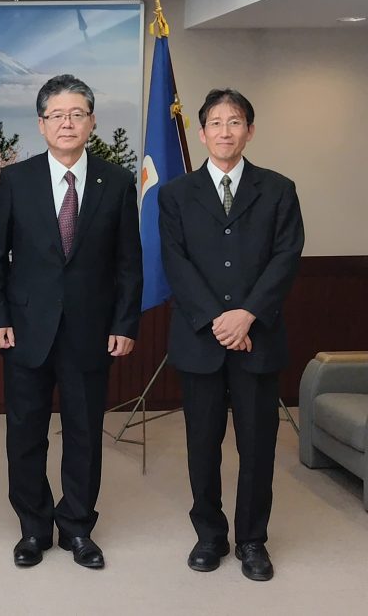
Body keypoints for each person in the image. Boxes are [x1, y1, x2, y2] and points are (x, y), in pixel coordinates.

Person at [0, 74, 142, 570]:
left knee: (84, 434)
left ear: (91, 122)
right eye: (57, 115)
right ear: (41, 124)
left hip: (91, 331)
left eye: (77, 114)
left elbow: (129, 263)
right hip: (25, 330)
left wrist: (125, 323)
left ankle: (77, 527)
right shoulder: (16, 179)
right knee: (25, 433)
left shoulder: (117, 181)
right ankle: (33, 527)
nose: (67, 123)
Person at [158, 89, 303, 582]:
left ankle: (252, 540)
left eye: (235, 121)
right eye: (216, 123)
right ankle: (210, 535)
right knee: (202, 444)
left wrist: (247, 316)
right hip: (201, 339)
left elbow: (286, 257)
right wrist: (218, 321)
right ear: (201, 133)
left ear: (250, 131)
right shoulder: (176, 194)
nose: (225, 131)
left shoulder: (278, 189)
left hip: (258, 338)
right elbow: (175, 261)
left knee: (257, 446)